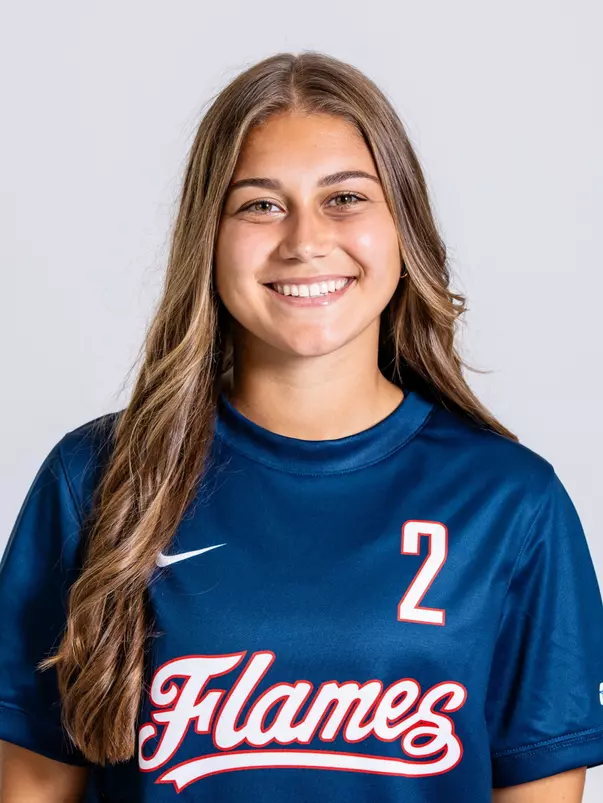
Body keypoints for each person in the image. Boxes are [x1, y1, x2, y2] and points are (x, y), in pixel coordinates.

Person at [0, 50, 602, 803]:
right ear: (207, 237)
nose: (304, 239)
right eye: (259, 204)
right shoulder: (98, 477)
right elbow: (31, 784)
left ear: (401, 226)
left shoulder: (512, 504)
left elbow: (539, 786)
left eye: (345, 197)